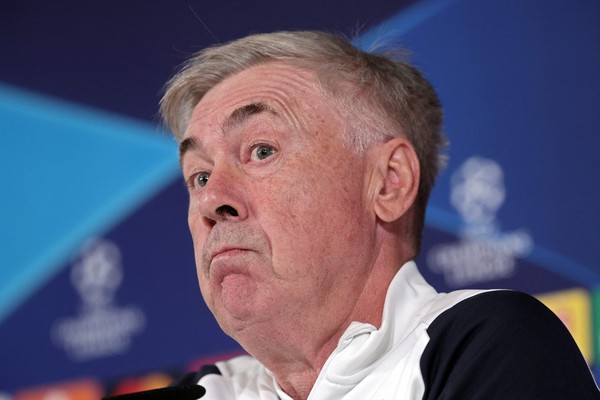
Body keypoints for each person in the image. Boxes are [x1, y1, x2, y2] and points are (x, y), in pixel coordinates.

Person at [155, 31, 599, 399]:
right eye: (199, 176)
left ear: (388, 182)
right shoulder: (207, 391)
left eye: (262, 150)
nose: (211, 200)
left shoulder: (486, 344)